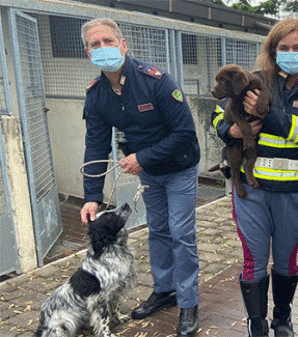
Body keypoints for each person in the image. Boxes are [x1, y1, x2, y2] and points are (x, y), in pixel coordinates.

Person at [79, 18, 201, 337]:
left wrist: (141, 158)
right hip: (149, 173)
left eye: (109, 41)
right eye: (95, 44)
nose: (103, 48)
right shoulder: (96, 95)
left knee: (181, 231)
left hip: (180, 166)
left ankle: (189, 301)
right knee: (158, 230)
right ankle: (164, 290)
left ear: (123, 45)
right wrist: (91, 196)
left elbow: (186, 133)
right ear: (88, 53)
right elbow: (95, 146)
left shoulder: (157, 82)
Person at [211, 18, 298, 337]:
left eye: (297, 48)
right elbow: (217, 113)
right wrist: (229, 129)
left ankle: (282, 319)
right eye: (283, 48)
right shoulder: (255, 80)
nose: (290, 53)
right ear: (272, 50)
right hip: (251, 192)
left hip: (293, 192)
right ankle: (257, 323)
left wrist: (269, 114)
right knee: (253, 259)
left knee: (285, 261)